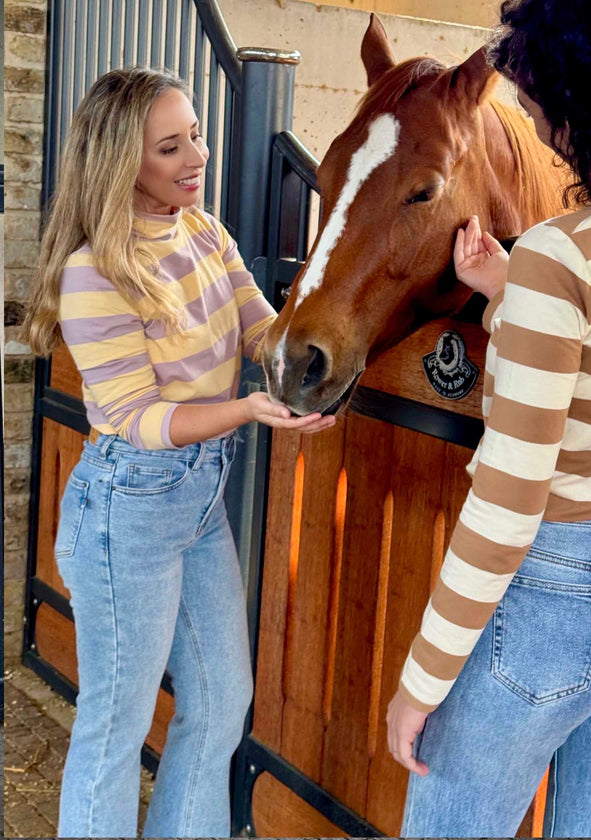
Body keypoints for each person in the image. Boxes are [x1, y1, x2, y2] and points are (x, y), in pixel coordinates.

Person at [23, 67, 335, 839]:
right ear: (124, 162)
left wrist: (316, 335)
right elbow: (137, 418)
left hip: (197, 500)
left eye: (195, 134)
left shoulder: (204, 231)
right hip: (127, 508)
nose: (197, 155)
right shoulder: (95, 271)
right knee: (114, 728)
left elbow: (262, 327)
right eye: (172, 146)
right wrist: (249, 409)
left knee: (223, 700)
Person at [385, 0, 591, 836]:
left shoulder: (562, 256)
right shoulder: (554, 268)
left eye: (542, 94)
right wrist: (513, 293)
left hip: (551, 593)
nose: (535, 114)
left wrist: (421, 683)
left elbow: (511, 503)